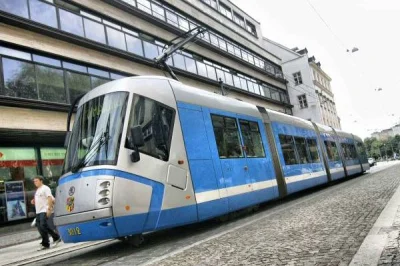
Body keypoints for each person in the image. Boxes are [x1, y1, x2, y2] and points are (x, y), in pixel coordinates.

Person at [31, 176, 61, 250]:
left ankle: (46, 243)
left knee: (43, 225)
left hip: (44, 210)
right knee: (40, 227)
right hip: (38, 211)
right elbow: (40, 199)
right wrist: (33, 201)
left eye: (36, 181)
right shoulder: (37, 190)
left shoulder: (45, 188)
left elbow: (49, 198)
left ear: (41, 181)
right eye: (34, 181)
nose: (35, 183)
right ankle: (55, 237)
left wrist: (49, 209)